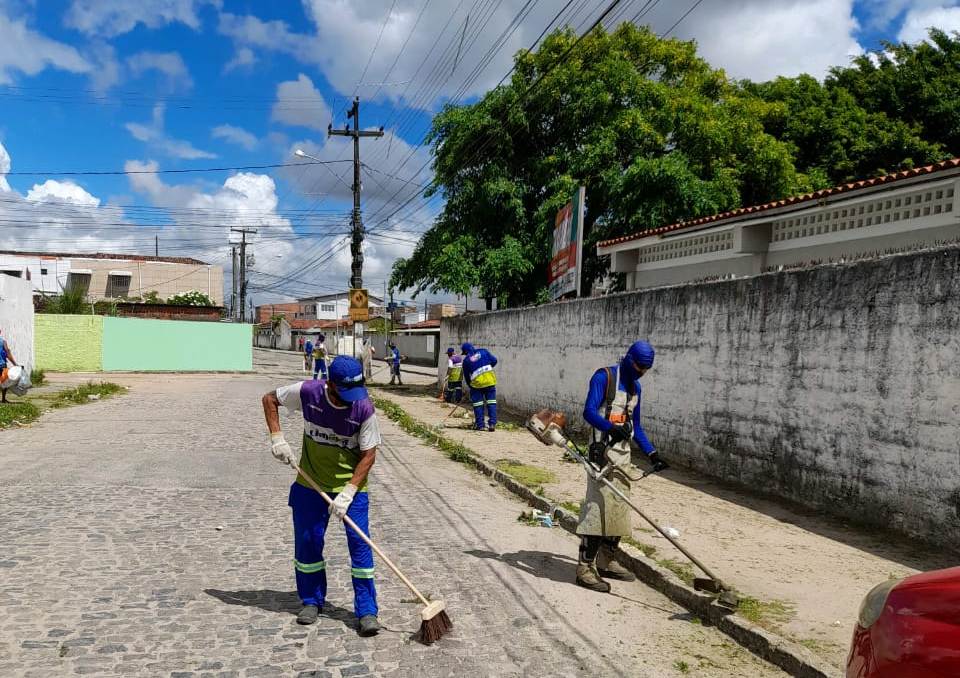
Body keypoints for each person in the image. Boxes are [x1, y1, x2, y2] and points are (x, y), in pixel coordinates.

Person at [261, 355, 382, 635]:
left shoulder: (364, 408)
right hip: (310, 483)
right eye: (346, 393)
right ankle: (311, 600)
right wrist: (277, 438)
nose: (352, 400)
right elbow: (269, 399)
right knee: (308, 543)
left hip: (352, 487)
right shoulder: (307, 392)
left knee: (360, 546)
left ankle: (367, 610)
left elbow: (368, 455)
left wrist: (348, 493)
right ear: (330, 385)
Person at [575, 340, 668, 593]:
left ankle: (606, 560)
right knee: (597, 509)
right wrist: (610, 428)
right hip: (601, 454)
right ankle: (584, 568)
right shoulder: (604, 378)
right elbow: (588, 412)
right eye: (639, 367)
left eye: (646, 369)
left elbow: (636, 426)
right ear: (628, 359)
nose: (642, 372)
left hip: (623, 457)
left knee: (619, 507)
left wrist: (652, 454)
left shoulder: (636, 388)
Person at [461, 342, 497, 431]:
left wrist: (470, 386)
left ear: (465, 352)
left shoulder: (466, 361)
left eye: (464, 353)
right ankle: (492, 424)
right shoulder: (484, 351)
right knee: (491, 403)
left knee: (478, 404)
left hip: (477, 385)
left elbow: (467, 377)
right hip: (490, 381)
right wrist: (487, 367)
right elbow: (494, 361)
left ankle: (480, 425)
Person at [0, 328, 17, 404]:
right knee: (5, 381)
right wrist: (15, 364)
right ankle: (3, 399)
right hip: (2, 365)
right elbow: (8, 353)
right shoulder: (3, 342)